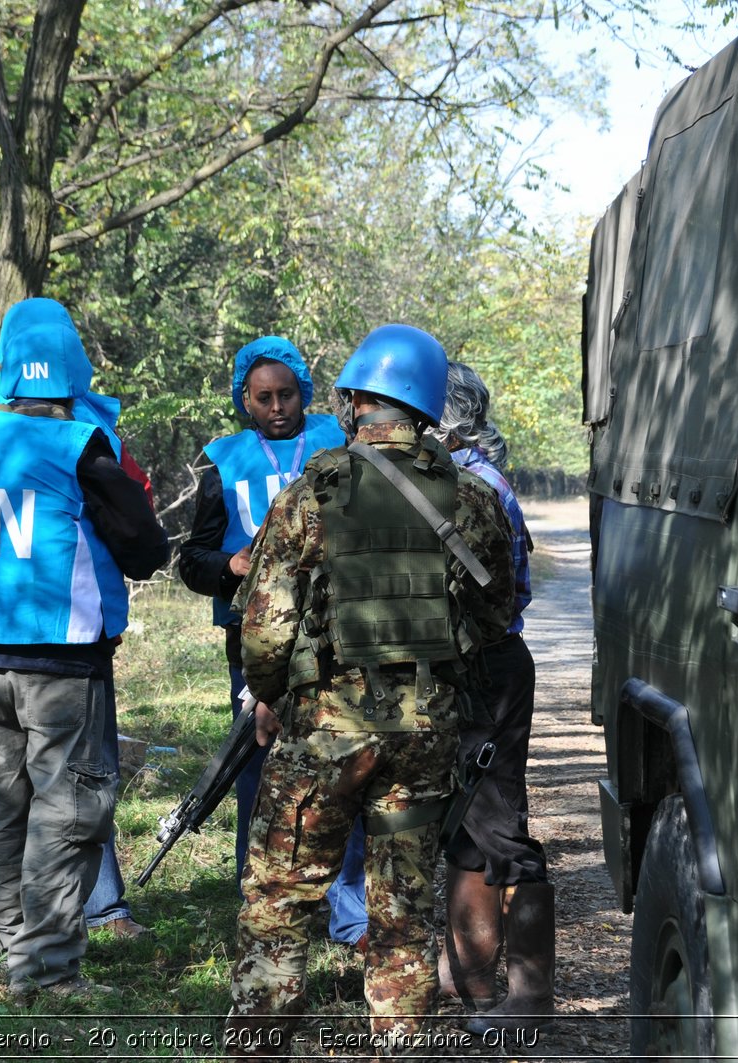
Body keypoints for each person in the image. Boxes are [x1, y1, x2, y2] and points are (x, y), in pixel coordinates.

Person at [224, 325, 515, 1053]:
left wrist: (273, 698)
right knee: (402, 912)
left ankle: (261, 1046)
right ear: (423, 406)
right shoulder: (471, 498)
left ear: (353, 400)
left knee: (280, 899)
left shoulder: (311, 493)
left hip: (325, 727)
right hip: (425, 734)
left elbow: (263, 632)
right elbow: (497, 612)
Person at [0, 297, 168, 1002]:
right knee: (67, 808)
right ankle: (49, 970)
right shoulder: (79, 444)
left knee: (1, 805)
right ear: (74, 366)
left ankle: (8, 943)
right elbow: (146, 548)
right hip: (64, 659)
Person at [178, 336, 368, 946]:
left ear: (305, 395)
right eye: (264, 398)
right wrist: (228, 568)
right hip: (254, 639)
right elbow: (192, 558)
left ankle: (348, 905)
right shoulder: (223, 460)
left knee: (345, 761)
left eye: (287, 394)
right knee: (257, 764)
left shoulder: (339, 446)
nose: (277, 407)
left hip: (336, 635)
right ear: (246, 401)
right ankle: (258, 893)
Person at [426, 362, 553, 1029]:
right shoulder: (454, 476)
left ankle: (531, 995)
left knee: (499, 825)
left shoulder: (473, 485)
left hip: (488, 666)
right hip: (465, 666)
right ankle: (466, 976)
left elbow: (507, 593)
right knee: (465, 822)